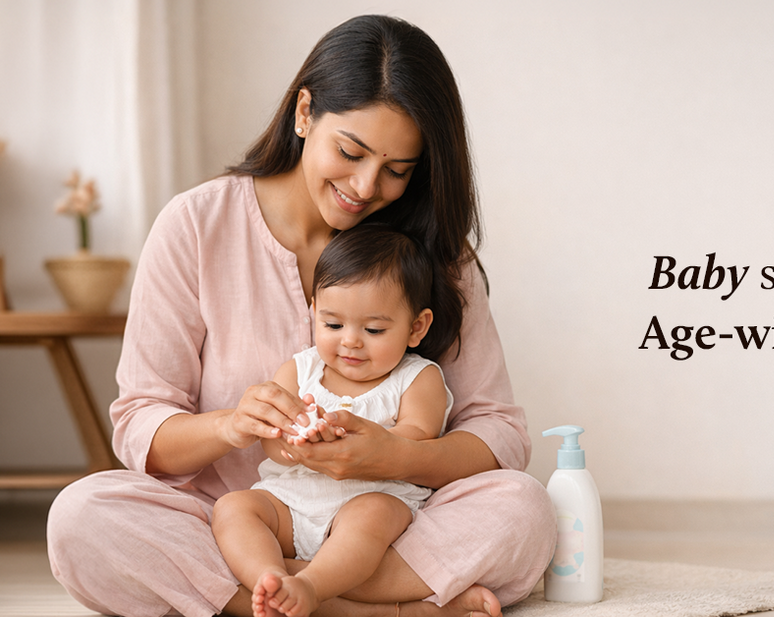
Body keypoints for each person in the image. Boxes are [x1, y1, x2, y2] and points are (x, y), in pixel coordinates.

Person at [46, 15, 556, 617]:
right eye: (351, 152)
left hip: (391, 522)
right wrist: (232, 425)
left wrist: (397, 457)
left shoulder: (435, 253)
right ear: (304, 112)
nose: (367, 187)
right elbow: (139, 425)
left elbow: (498, 431)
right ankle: (378, 607)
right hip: (234, 522)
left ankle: (274, 598)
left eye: (398, 170)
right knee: (83, 516)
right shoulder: (195, 226)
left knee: (523, 508)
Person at [214, 225, 456, 617]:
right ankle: (270, 580)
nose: (350, 341)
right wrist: (298, 441)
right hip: (291, 503)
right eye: (332, 325)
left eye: (374, 329)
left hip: (372, 497)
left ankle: (310, 585)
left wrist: (365, 441)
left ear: (416, 327)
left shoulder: (417, 377)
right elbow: (272, 440)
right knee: (233, 507)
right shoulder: (299, 370)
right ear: (313, 311)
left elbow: (417, 435)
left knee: (373, 516)